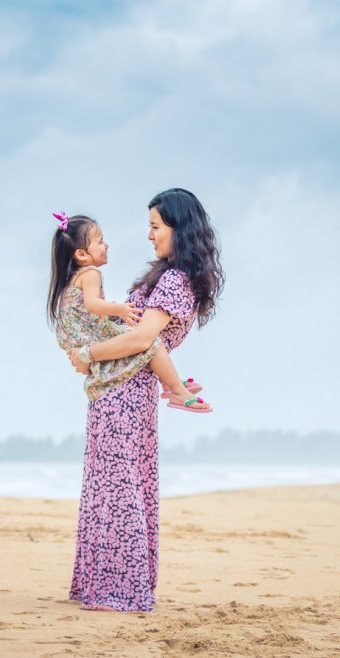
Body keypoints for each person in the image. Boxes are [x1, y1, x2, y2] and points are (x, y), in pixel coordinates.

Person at [64, 188, 224, 612]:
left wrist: (86, 354)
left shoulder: (174, 280)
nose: (149, 235)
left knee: (118, 487)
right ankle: (101, 586)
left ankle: (122, 590)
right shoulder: (168, 275)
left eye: (156, 226)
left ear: (180, 229)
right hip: (123, 388)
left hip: (126, 393)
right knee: (111, 484)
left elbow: (141, 338)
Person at [47, 211, 208, 412]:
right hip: (109, 370)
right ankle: (176, 388)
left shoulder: (74, 278)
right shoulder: (91, 273)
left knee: (143, 339)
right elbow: (92, 305)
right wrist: (119, 309)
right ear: (81, 254)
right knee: (151, 341)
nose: (106, 245)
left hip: (80, 339)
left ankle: (170, 381)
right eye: (100, 241)